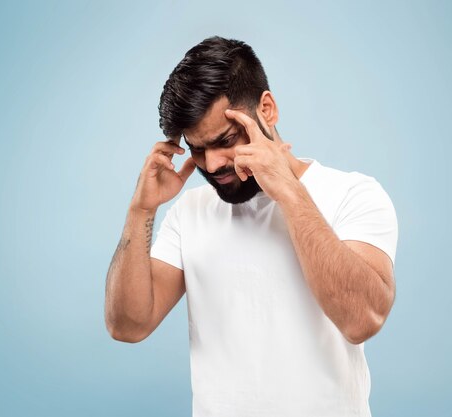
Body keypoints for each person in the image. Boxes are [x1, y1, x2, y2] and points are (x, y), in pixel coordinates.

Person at [105, 35, 398, 417]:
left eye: (225, 140)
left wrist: (289, 192)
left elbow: (363, 320)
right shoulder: (191, 211)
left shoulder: (352, 194)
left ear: (267, 109)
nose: (211, 165)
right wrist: (141, 210)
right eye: (197, 149)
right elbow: (128, 325)